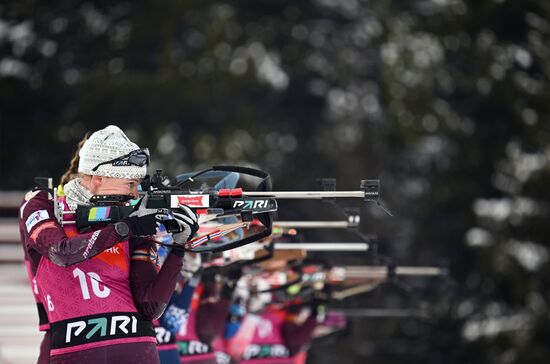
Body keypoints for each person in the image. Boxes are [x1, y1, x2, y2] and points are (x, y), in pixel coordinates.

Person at [19, 125, 198, 363]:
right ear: (98, 179)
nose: (136, 195)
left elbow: (151, 307)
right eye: (130, 184)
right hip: (72, 350)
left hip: (137, 348)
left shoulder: (132, 217)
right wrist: (126, 228)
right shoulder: (43, 203)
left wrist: (178, 247)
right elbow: (61, 253)